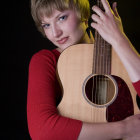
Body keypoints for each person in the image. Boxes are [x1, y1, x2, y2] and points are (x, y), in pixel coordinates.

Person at [27, 0, 140, 139]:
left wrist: (119, 40)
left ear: (84, 14)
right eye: (46, 25)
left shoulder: (122, 54)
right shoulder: (46, 60)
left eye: (62, 18)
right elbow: (42, 131)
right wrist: (125, 129)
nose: (55, 33)